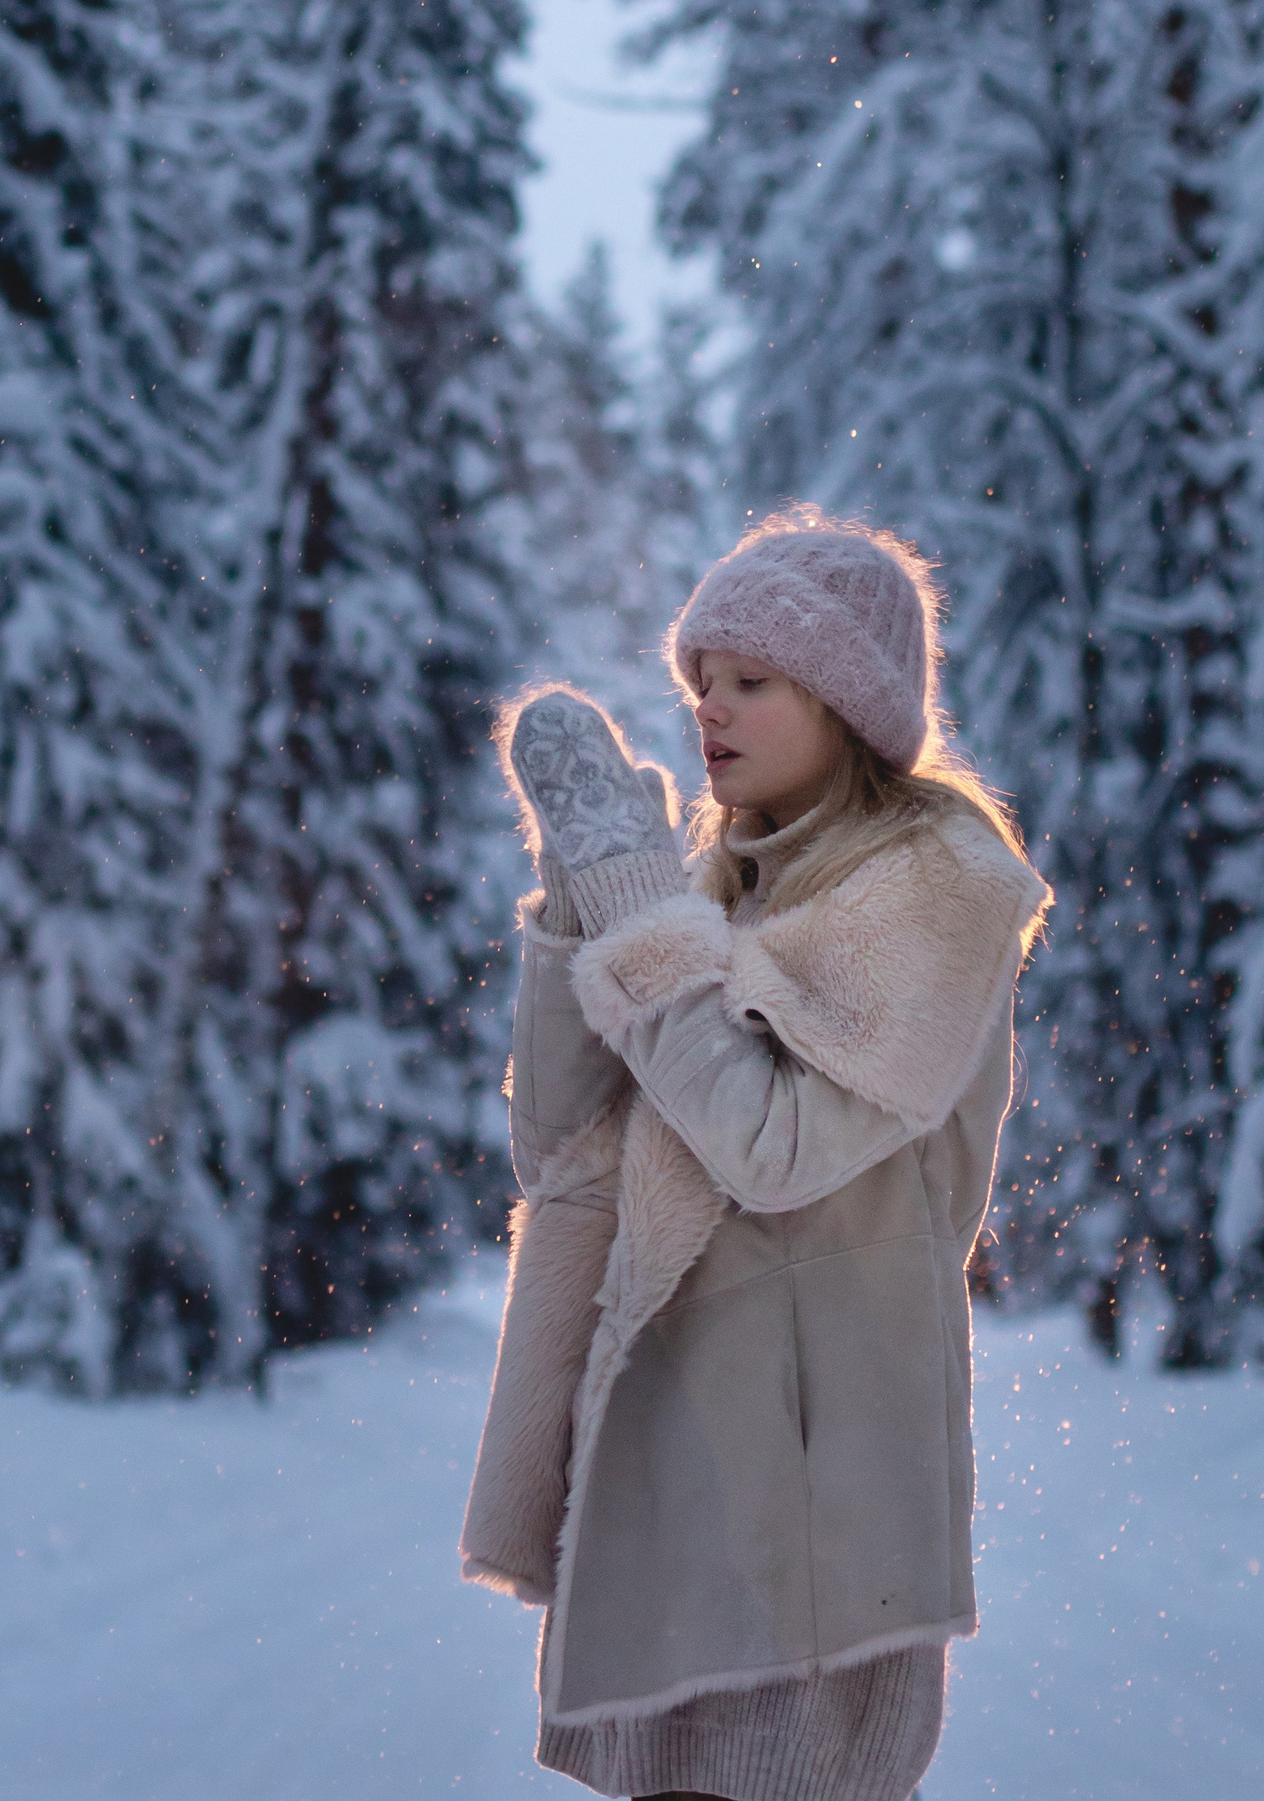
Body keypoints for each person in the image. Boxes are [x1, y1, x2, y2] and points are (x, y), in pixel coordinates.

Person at [460, 509, 1051, 1801]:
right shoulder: (717, 887)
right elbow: (564, 1147)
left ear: (846, 699)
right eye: (699, 683)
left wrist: (637, 908)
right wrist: (580, 904)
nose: (709, 711)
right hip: (675, 1456)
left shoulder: (938, 884)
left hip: (819, 1491)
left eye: (750, 679)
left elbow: (773, 1149)